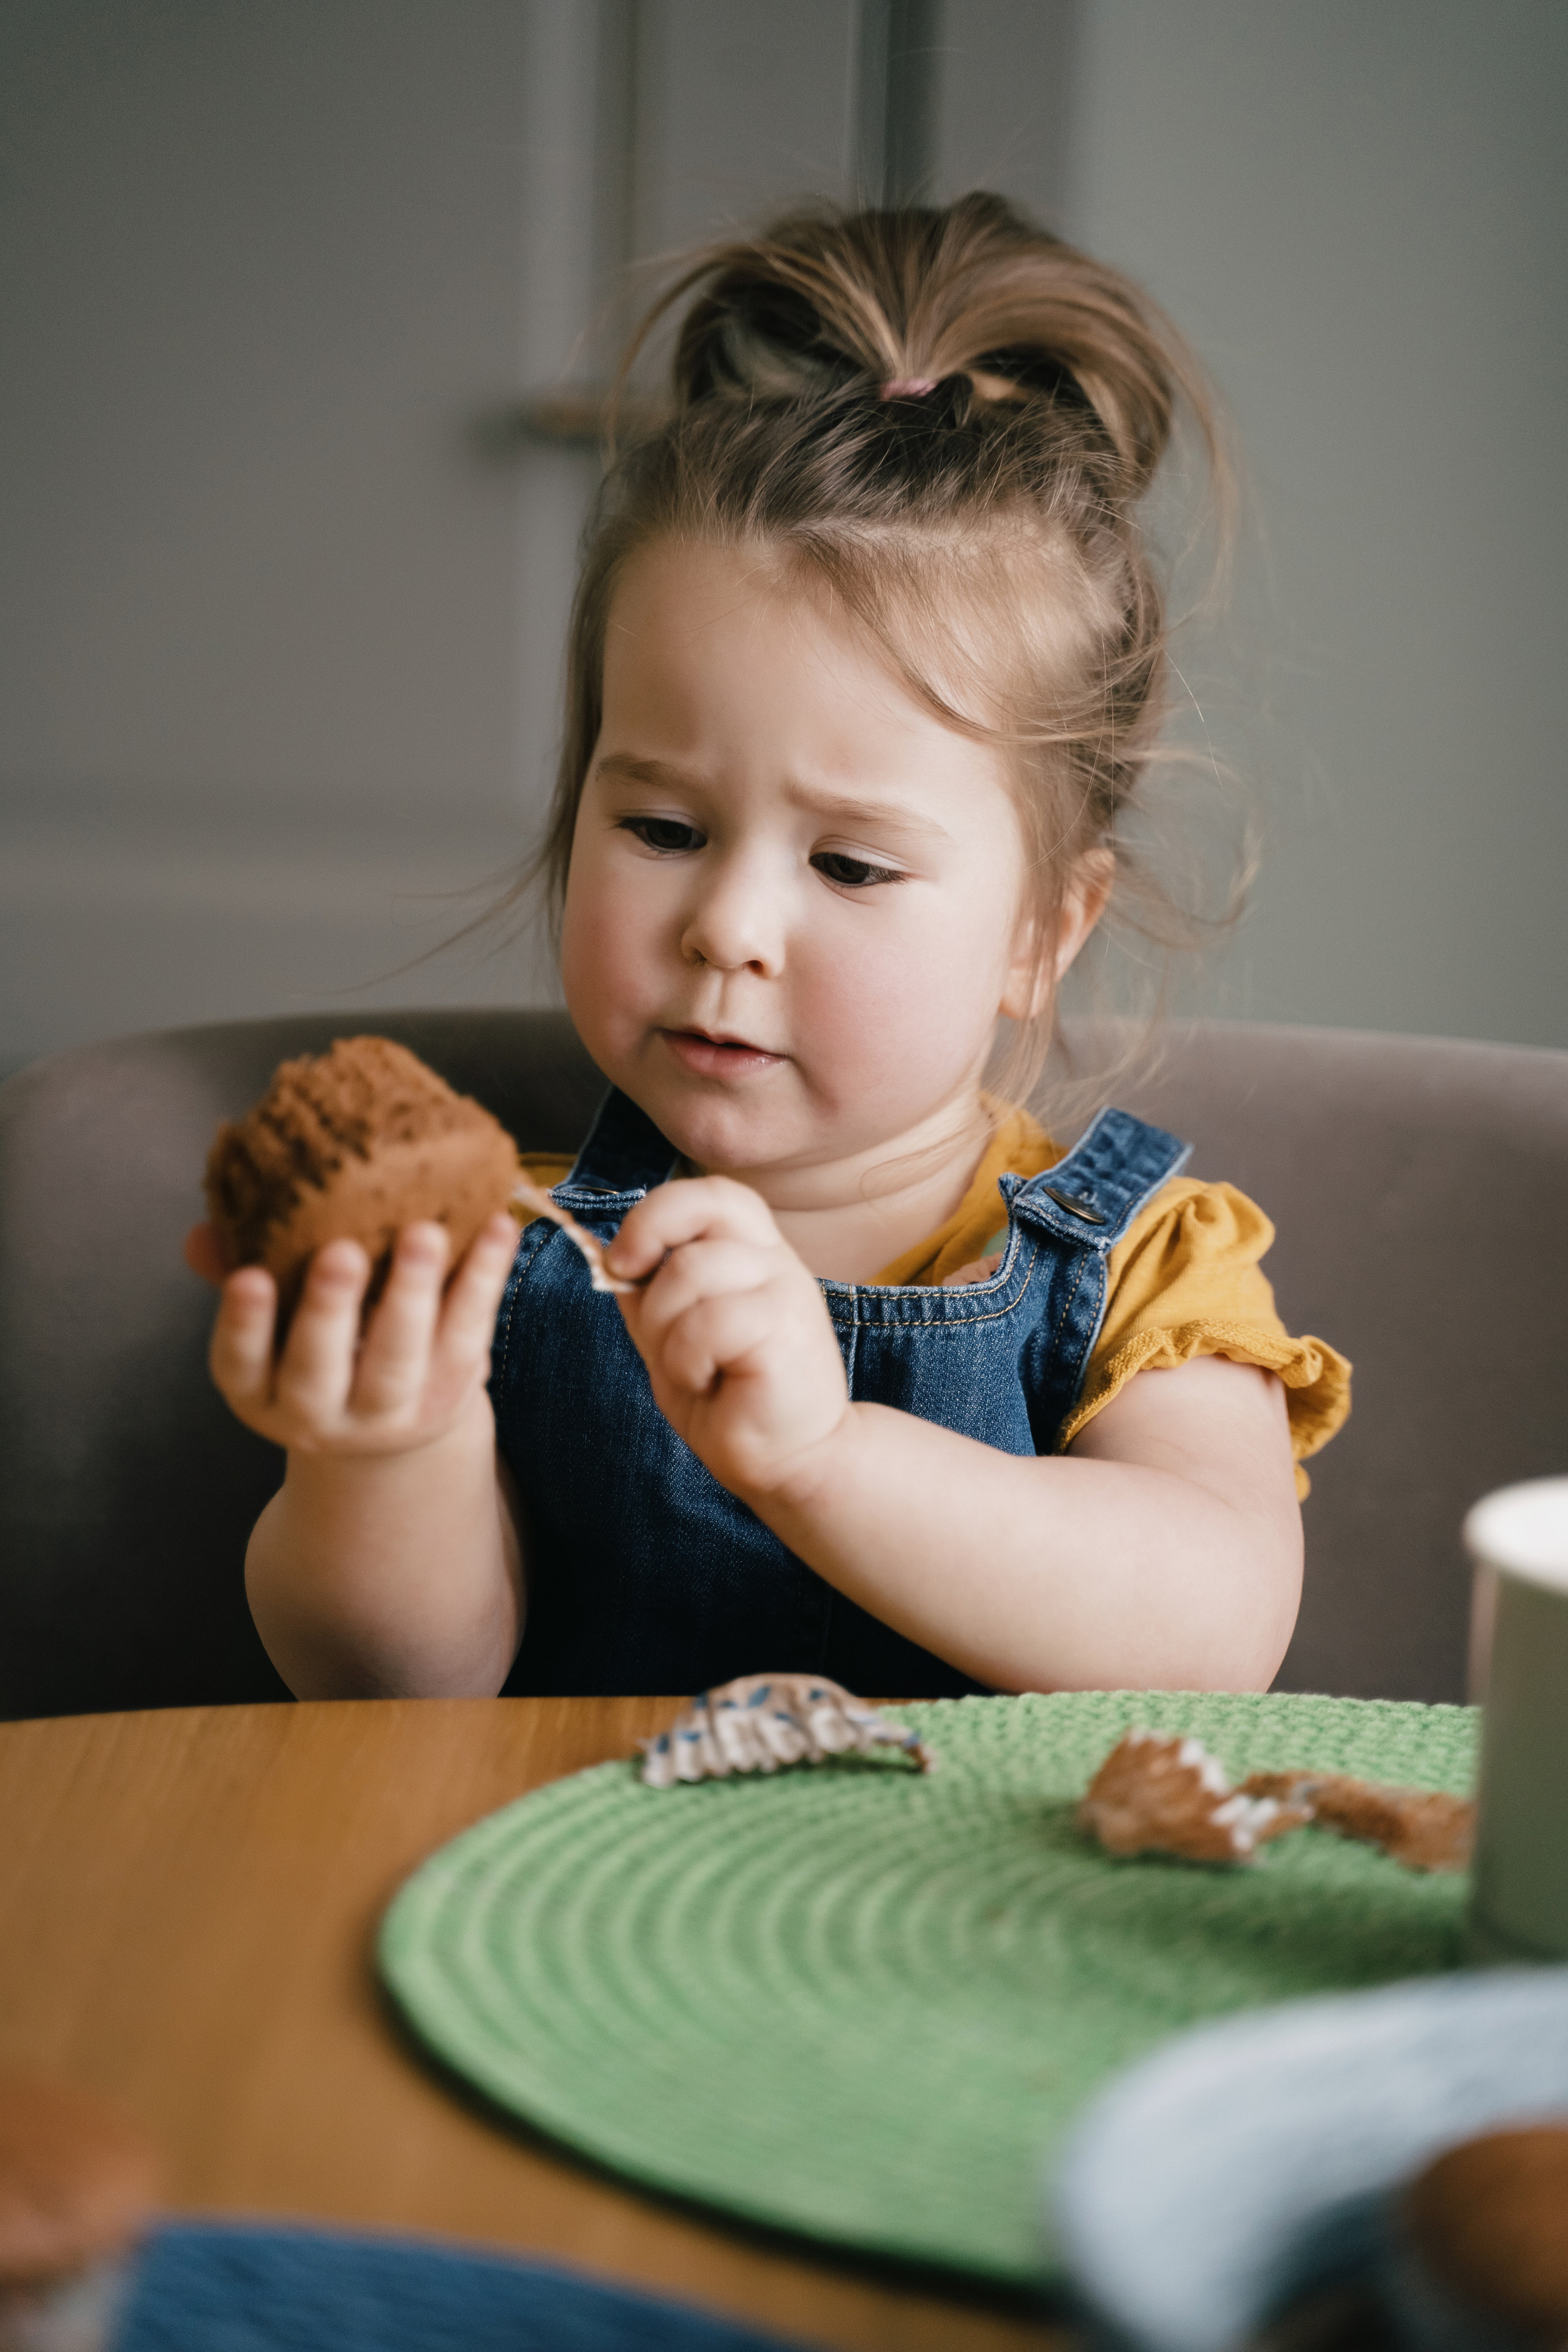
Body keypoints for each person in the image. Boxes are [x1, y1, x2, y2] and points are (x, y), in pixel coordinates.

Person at [190, 195, 1349, 1703]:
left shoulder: (1137, 1274)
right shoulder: (502, 1254)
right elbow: (387, 1689)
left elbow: (1208, 1637)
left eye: (850, 862)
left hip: (975, 1926)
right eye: (662, 830)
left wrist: (823, 1458)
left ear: (1038, 931)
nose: (726, 927)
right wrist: (386, 1444)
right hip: (559, 1918)